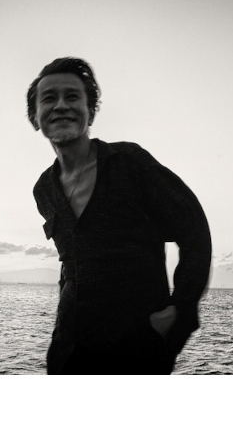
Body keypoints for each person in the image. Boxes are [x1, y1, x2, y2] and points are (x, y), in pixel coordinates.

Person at [28, 57, 211, 374]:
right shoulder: (44, 189)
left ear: (90, 111)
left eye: (72, 96)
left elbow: (194, 229)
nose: (61, 106)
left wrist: (179, 309)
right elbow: (71, 262)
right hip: (70, 351)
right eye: (49, 98)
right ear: (35, 117)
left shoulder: (129, 162)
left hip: (138, 348)